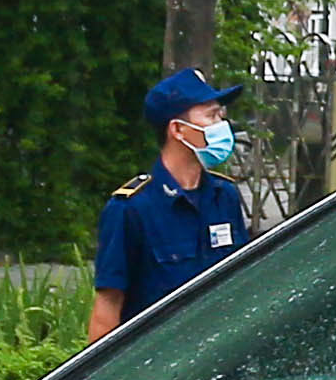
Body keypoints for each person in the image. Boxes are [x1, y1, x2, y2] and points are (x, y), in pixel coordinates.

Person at [91, 68, 253, 341]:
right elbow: (107, 309)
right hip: (159, 368)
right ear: (178, 130)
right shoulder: (131, 209)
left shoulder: (224, 196)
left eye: (220, 115)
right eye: (211, 116)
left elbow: (241, 289)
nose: (222, 125)